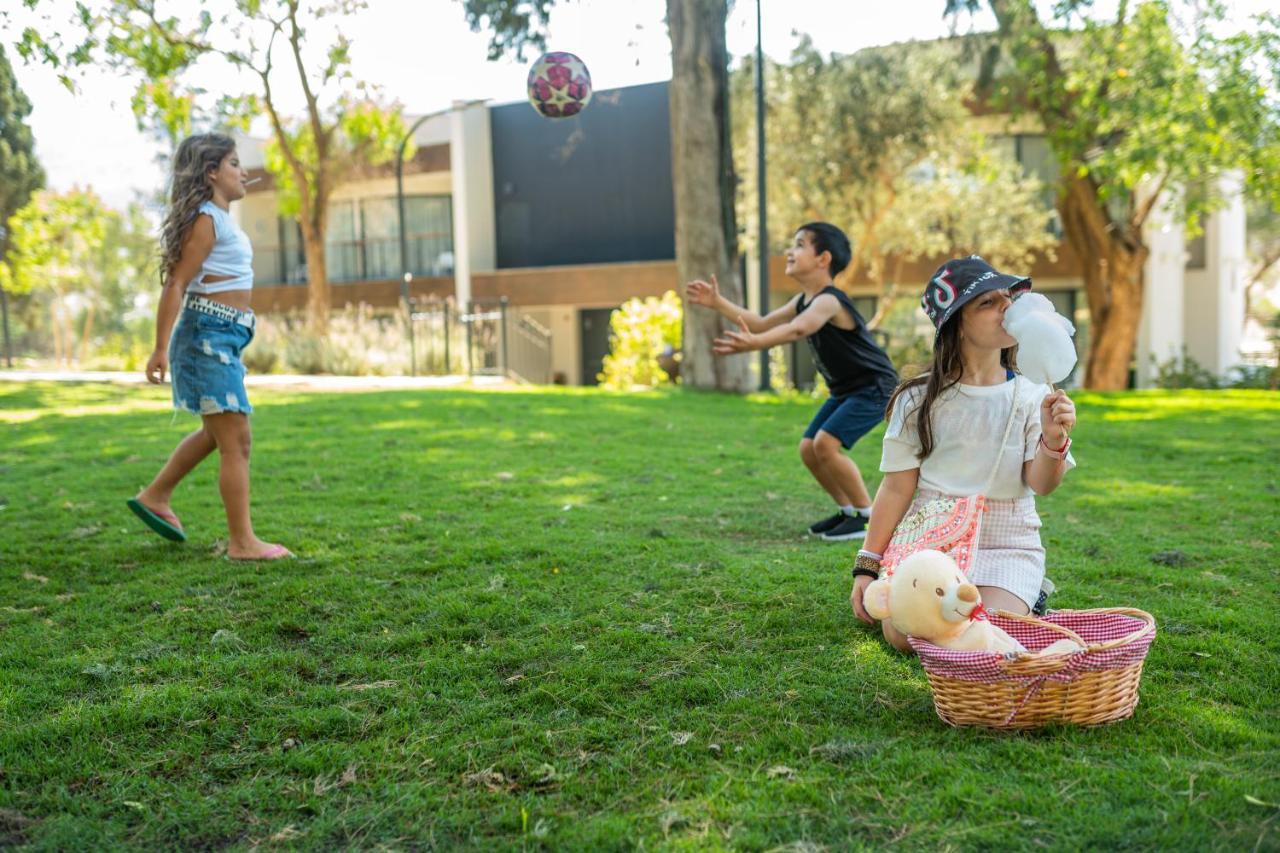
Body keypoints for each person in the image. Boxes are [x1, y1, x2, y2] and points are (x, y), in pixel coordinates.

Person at [849, 256, 1076, 651]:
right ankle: (1008, 629)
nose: (1006, 308)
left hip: (1006, 542)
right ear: (956, 324)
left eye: (1008, 298)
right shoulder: (917, 399)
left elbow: (1041, 484)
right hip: (934, 540)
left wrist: (1053, 440)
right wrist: (867, 565)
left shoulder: (1032, 395)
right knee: (905, 637)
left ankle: (1021, 605)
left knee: (981, 625)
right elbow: (897, 488)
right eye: (987, 303)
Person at [125, 132, 291, 561]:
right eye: (234, 163)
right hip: (207, 335)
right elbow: (177, 282)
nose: (244, 172)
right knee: (236, 440)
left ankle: (155, 495)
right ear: (212, 171)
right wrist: (159, 347)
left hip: (223, 335)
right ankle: (242, 543)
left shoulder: (219, 218)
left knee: (218, 435)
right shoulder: (207, 219)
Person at [685, 222, 898, 541]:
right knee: (808, 449)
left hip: (874, 387)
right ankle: (848, 511)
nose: (790, 251)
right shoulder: (803, 300)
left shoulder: (829, 300)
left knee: (826, 444)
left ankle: (866, 516)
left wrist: (756, 344)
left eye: (799, 245)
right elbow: (758, 323)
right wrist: (718, 303)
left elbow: (800, 329)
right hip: (846, 389)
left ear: (823, 259)